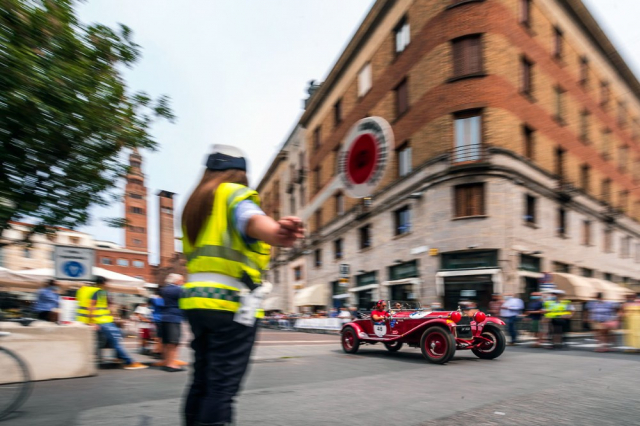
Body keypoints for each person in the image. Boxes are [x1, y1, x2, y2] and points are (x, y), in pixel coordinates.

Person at [180, 145, 304, 426]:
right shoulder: (232, 192)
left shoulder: (194, 208)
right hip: (231, 304)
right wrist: (276, 232)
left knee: (201, 382)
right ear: (239, 173)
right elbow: (249, 217)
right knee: (222, 389)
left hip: (196, 304)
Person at [75, 276, 147, 370]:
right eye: (106, 283)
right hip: (101, 321)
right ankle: (129, 362)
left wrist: (89, 322)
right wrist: (92, 322)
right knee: (116, 340)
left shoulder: (82, 290)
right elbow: (91, 306)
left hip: (84, 320)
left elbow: (82, 304)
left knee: (118, 335)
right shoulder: (99, 291)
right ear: (102, 283)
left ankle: (117, 357)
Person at [158, 273, 187, 371]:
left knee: (167, 342)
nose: (183, 283)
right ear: (177, 281)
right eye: (182, 281)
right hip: (174, 318)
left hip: (165, 317)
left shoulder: (165, 289)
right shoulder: (177, 289)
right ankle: (171, 364)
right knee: (173, 343)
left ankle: (167, 362)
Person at [148, 288, 165, 358]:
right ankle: (158, 351)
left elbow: (150, 302)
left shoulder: (154, 300)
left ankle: (156, 350)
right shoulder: (161, 300)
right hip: (160, 319)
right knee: (161, 337)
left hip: (155, 319)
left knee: (158, 336)